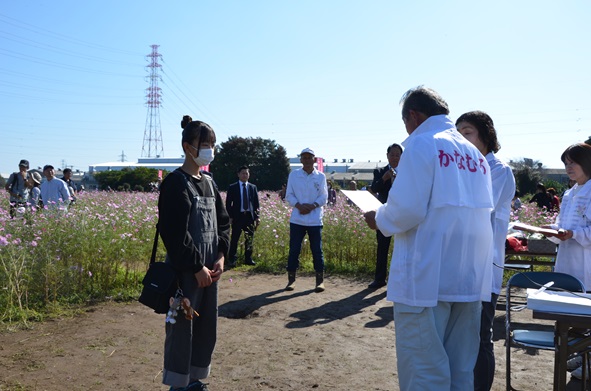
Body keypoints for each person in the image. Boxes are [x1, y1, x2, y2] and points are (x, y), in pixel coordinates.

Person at [363, 86, 493, 390]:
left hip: (427, 276)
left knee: (424, 368)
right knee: (461, 369)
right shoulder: (474, 154)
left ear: (413, 115)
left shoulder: (422, 144)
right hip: (468, 278)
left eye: (405, 121)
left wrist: (378, 218)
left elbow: (406, 209)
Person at [158, 116, 230, 391]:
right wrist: (196, 266)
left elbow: (223, 223)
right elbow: (174, 233)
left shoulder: (209, 182)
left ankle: (196, 381)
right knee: (181, 328)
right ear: (188, 146)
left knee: (206, 326)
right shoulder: (176, 183)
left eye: (212, 144)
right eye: (205, 144)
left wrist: (221, 255)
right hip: (185, 272)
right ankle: (178, 384)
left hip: (210, 269)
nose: (209, 149)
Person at [456, 110, 516, 391]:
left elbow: (477, 206)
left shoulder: (498, 169)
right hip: (463, 262)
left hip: (485, 264)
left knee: (482, 335)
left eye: (467, 133)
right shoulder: (466, 167)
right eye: (459, 134)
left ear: (486, 135)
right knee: (461, 335)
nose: (462, 139)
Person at [541, 143, 591, 380]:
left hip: (586, 264)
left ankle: (586, 361)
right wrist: (548, 230)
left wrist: (574, 234)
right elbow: (563, 227)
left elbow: (584, 231)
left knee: (586, 317)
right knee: (570, 318)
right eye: (566, 163)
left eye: (573, 162)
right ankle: (578, 358)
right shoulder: (570, 193)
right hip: (568, 264)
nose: (569, 167)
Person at [285, 147, 328, 293]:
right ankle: (291, 280)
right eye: (304, 157)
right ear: (301, 159)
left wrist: (313, 206)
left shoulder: (321, 176)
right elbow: (289, 195)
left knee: (317, 250)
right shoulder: (294, 175)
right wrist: (298, 205)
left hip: (315, 219)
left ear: (315, 160)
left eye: (310, 157)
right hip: (297, 218)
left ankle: (319, 281)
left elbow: (324, 197)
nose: (307, 160)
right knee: (294, 250)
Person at [368, 143, 403, 289]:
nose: (394, 157)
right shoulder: (380, 171)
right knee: (382, 247)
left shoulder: (407, 172)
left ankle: (399, 281)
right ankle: (380, 279)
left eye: (397, 155)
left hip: (402, 214)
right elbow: (373, 189)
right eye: (392, 154)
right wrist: (384, 178)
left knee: (401, 248)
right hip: (384, 214)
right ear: (387, 156)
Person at [225, 165, 260, 267]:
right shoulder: (233, 187)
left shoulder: (253, 187)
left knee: (249, 239)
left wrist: (257, 217)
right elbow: (228, 203)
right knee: (235, 239)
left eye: (247, 173)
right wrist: (230, 216)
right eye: (243, 173)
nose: (245, 175)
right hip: (237, 217)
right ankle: (232, 259)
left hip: (249, 217)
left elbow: (256, 203)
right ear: (238, 175)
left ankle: (248, 259)